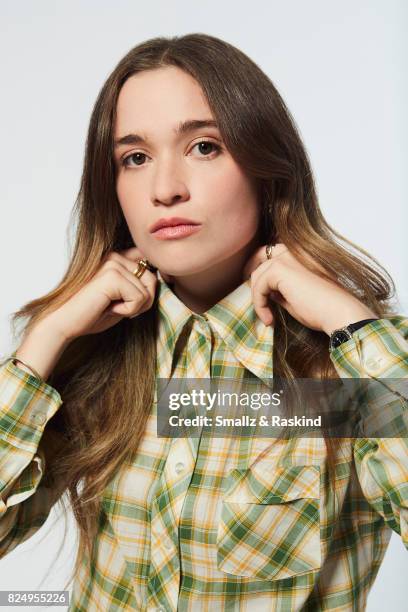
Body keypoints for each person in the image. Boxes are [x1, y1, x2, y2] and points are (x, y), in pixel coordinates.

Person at [0, 32, 407, 611]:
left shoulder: (344, 372)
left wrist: (351, 322)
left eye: (205, 147)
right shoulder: (99, 359)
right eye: (135, 158)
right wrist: (45, 342)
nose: (165, 189)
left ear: (267, 169)